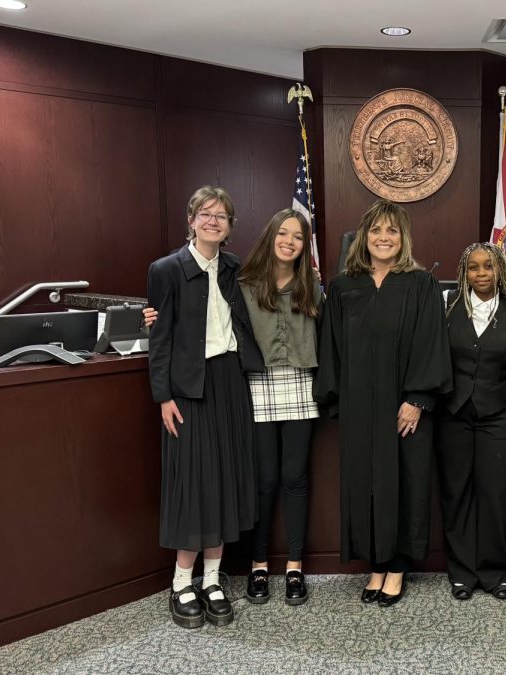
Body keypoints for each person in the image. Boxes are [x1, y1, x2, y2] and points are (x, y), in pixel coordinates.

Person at [314, 199, 451, 608]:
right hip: (359, 408)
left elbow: (432, 343)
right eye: (376, 231)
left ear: (402, 237)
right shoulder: (342, 288)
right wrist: (338, 402)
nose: (384, 238)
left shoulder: (421, 284)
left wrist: (417, 399)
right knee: (366, 486)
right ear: (364, 237)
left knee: (404, 483)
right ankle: (375, 563)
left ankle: (396, 568)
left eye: (392, 231)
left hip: (404, 408)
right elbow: (331, 349)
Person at [146, 186, 264, 629]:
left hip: (229, 382)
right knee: (193, 484)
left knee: (225, 480)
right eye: (205, 214)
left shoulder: (234, 267)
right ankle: (182, 583)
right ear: (191, 220)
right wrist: (163, 397)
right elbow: (159, 340)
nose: (213, 221)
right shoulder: (166, 270)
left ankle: (212, 579)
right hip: (188, 389)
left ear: (231, 227)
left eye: (222, 216)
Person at [237, 209, 322, 606]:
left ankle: (294, 566)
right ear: (270, 236)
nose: (290, 241)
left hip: (301, 384)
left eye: (298, 236)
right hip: (258, 385)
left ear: (305, 246)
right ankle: (258, 565)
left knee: (295, 477)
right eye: (283, 234)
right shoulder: (243, 285)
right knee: (265, 480)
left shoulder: (312, 286)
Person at [437, 243, 506, 601]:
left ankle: (496, 572)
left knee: (494, 494)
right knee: (456, 493)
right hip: (453, 415)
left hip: (496, 415)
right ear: (464, 272)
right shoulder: (447, 303)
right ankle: (461, 573)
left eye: (488, 267)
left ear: (500, 269)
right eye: (473, 268)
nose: (481, 273)